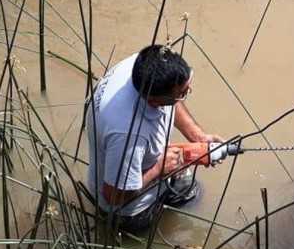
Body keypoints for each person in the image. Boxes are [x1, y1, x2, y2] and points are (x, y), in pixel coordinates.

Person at [86, 44, 223, 233]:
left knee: (194, 194)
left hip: (152, 165)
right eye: (183, 93)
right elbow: (113, 196)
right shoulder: (127, 134)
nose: (189, 92)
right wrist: (159, 168)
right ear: (154, 101)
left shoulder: (142, 66)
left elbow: (172, 102)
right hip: (129, 211)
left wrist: (198, 137)